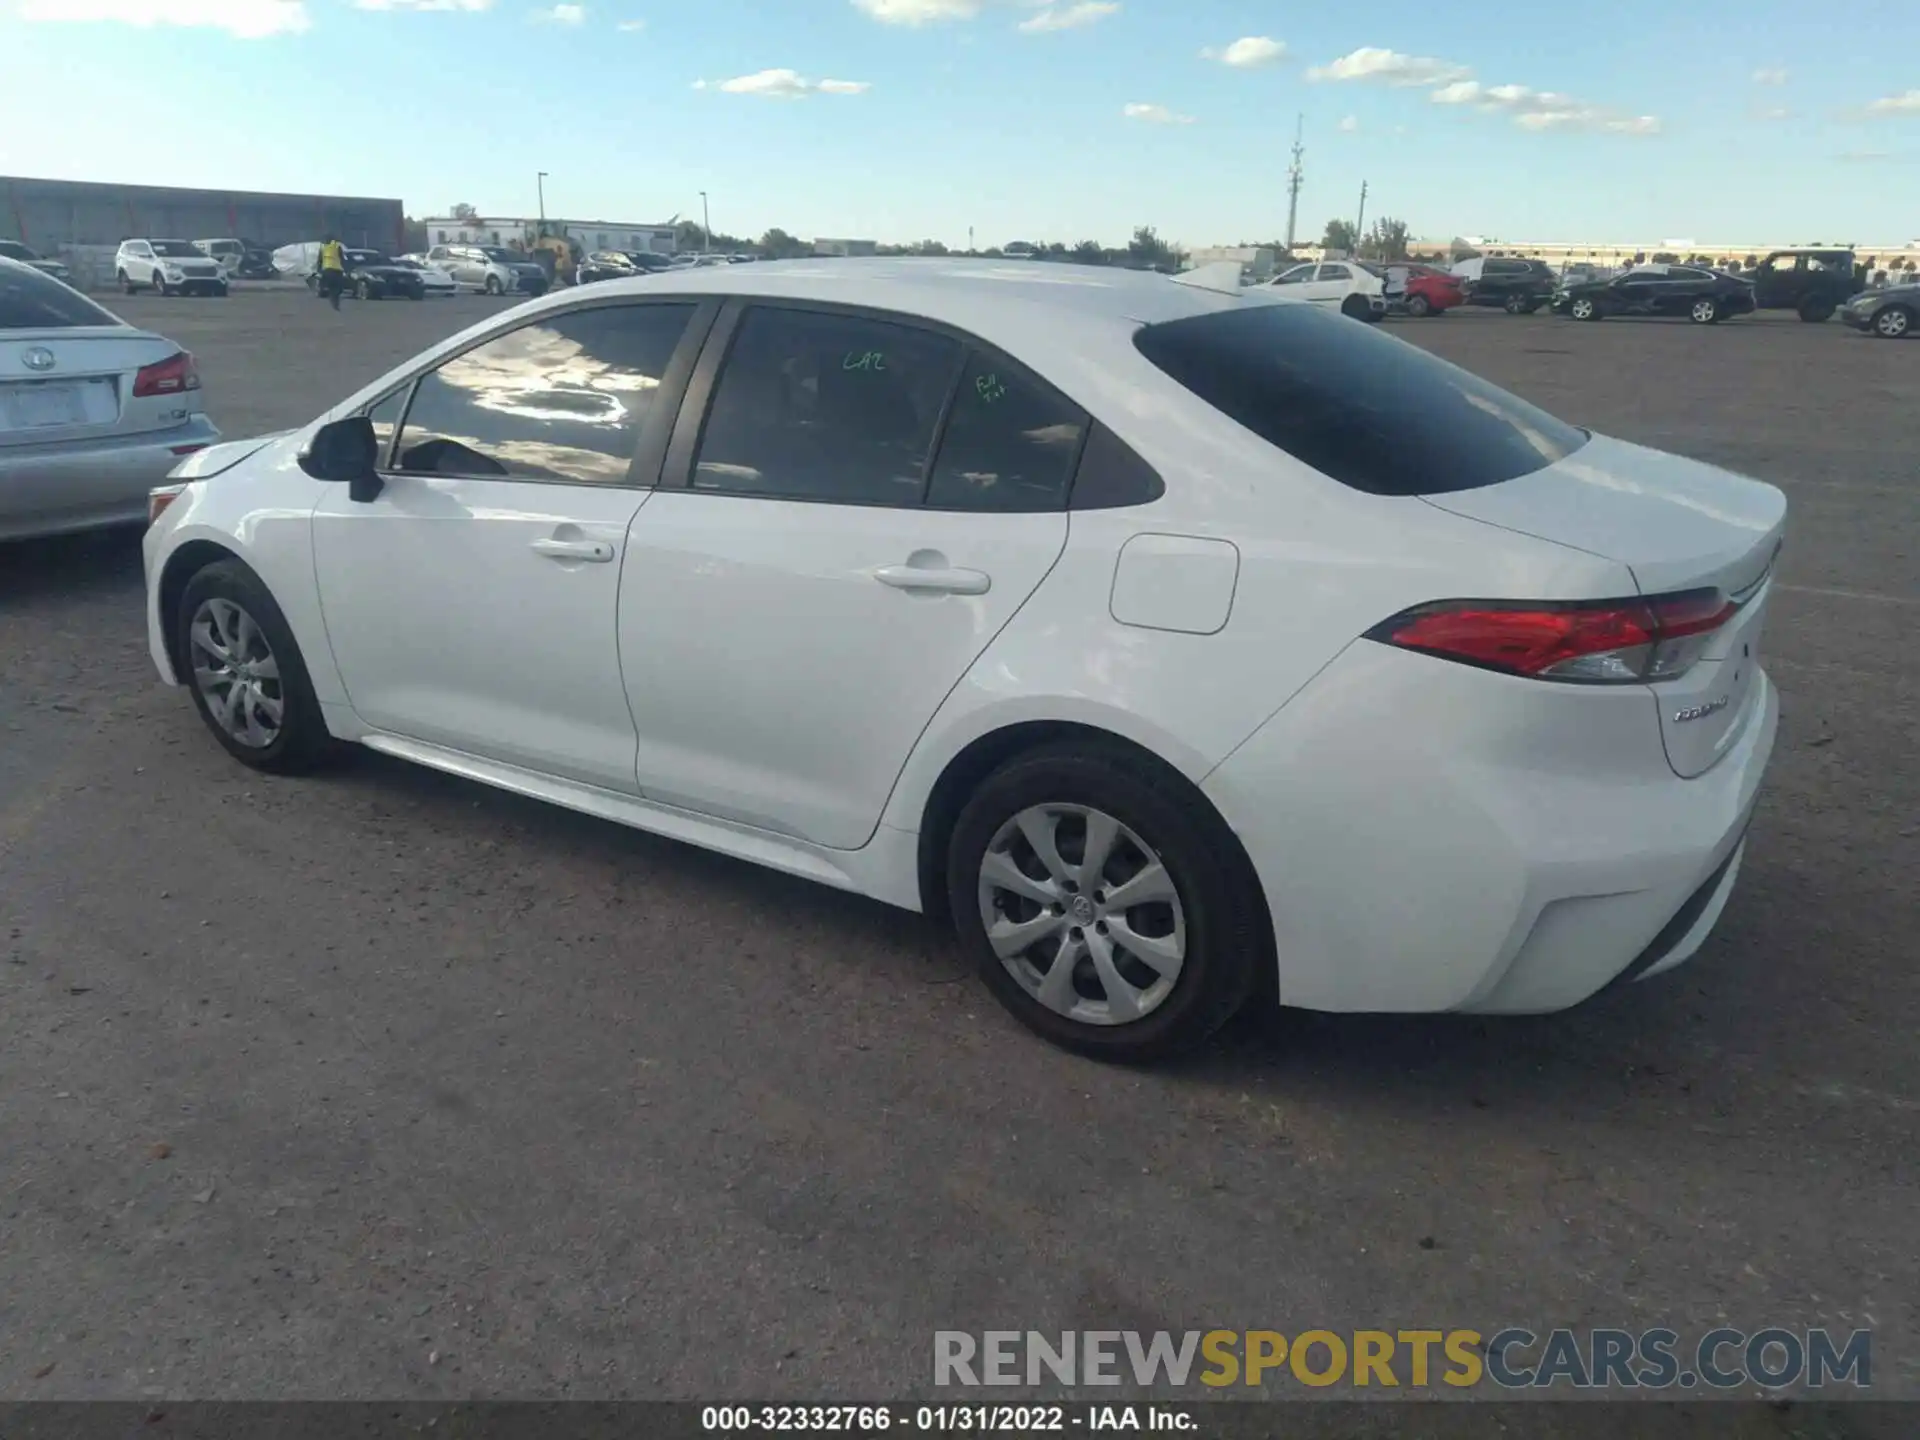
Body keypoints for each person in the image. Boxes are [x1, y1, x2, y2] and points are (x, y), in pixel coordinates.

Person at [316, 235, 347, 311]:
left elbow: (319, 260)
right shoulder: (337, 246)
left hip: (327, 270)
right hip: (337, 270)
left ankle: (332, 301)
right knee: (337, 288)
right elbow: (342, 258)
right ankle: (336, 303)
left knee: (330, 287)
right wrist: (345, 268)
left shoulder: (323, 247)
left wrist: (318, 270)